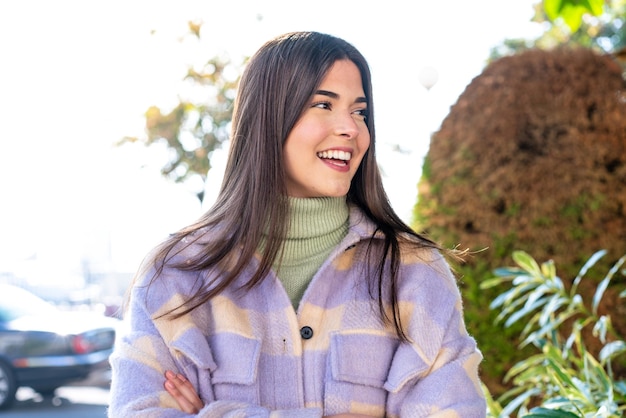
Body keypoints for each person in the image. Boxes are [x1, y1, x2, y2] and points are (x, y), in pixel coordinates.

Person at [108, 31, 486, 417]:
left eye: (359, 111)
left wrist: (217, 412)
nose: (352, 129)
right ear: (269, 118)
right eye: (324, 104)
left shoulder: (414, 274)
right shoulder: (174, 275)